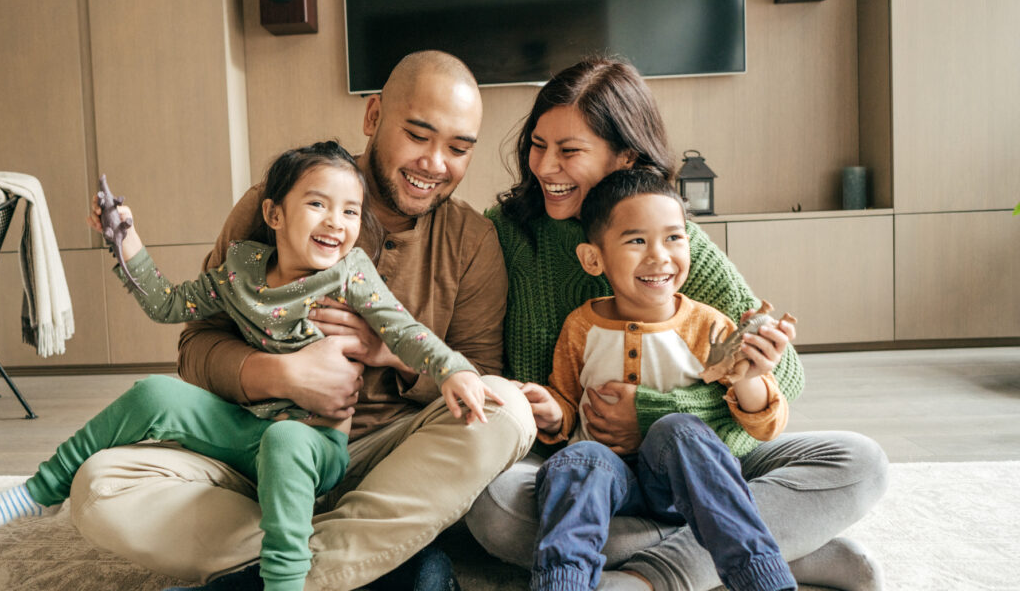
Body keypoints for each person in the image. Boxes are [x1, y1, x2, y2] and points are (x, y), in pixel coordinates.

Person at [64, 51, 537, 591]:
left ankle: (268, 574)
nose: (434, 163)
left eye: (458, 148)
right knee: (100, 487)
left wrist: (387, 352)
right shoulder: (276, 203)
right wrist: (281, 376)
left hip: (383, 463)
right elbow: (195, 346)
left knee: (507, 410)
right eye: (418, 135)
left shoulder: (472, 242)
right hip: (256, 452)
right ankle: (373, 564)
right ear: (373, 116)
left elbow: (479, 373)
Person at [0, 141, 505, 591]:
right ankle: (38, 492)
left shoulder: (350, 274)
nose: (336, 223)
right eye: (318, 205)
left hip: (314, 445)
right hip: (246, 432)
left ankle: (284, 582)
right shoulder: (242, 269)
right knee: (153, 393)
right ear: (274, 214)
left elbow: (403, 329)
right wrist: (126, 242)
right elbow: (171, 305)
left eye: (350, 212)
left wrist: (454, 369)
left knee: (287, 442)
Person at [466, 55, 889, 591]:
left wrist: (653, 413)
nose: (544, 167)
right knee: (493, 511)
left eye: (569, 151)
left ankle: (648, 578)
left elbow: (785, 381)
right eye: (537, 144)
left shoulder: (674, 243)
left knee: (860, 462)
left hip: (695, 456)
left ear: (625, 158)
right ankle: (789, 548)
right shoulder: (507, 233)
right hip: (580, 469)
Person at [526, 168, 796, 591]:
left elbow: (765, 425)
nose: (659, 256)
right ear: (593, 259)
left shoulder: (708, 327)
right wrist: (550, 413)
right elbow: (565, 399)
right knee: (579, 461)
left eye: (674, 237)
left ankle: (764, 579)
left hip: (683, 484)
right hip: (608, 485)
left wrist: (752, 377)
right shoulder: (581, 326)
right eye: (637, 241)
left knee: (680, 430)